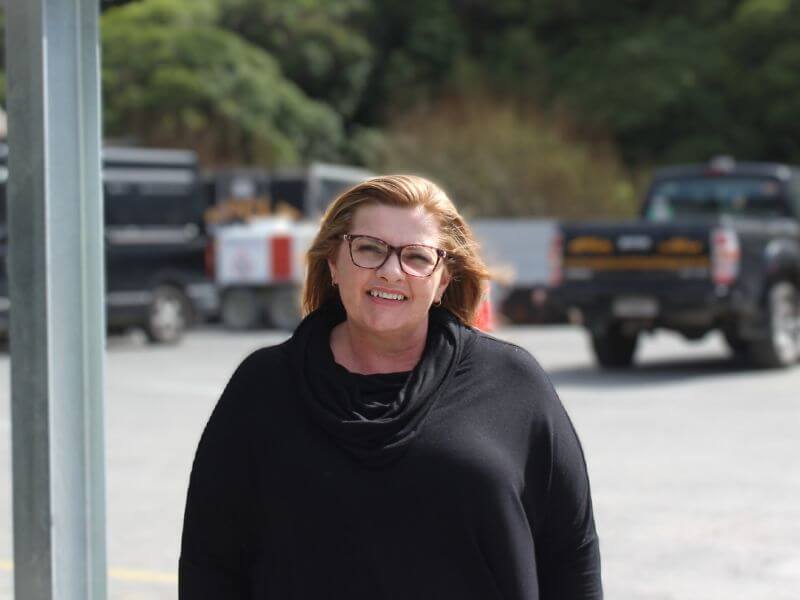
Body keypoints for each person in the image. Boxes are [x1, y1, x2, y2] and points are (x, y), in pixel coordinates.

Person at [179, 175, 603, 599]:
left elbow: (571, 557)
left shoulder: (513, 384)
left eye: (417, 257)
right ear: (333, 261)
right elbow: (210, 564)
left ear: (443, 279)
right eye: (369, 249)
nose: (391, 271)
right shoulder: (262, 388)